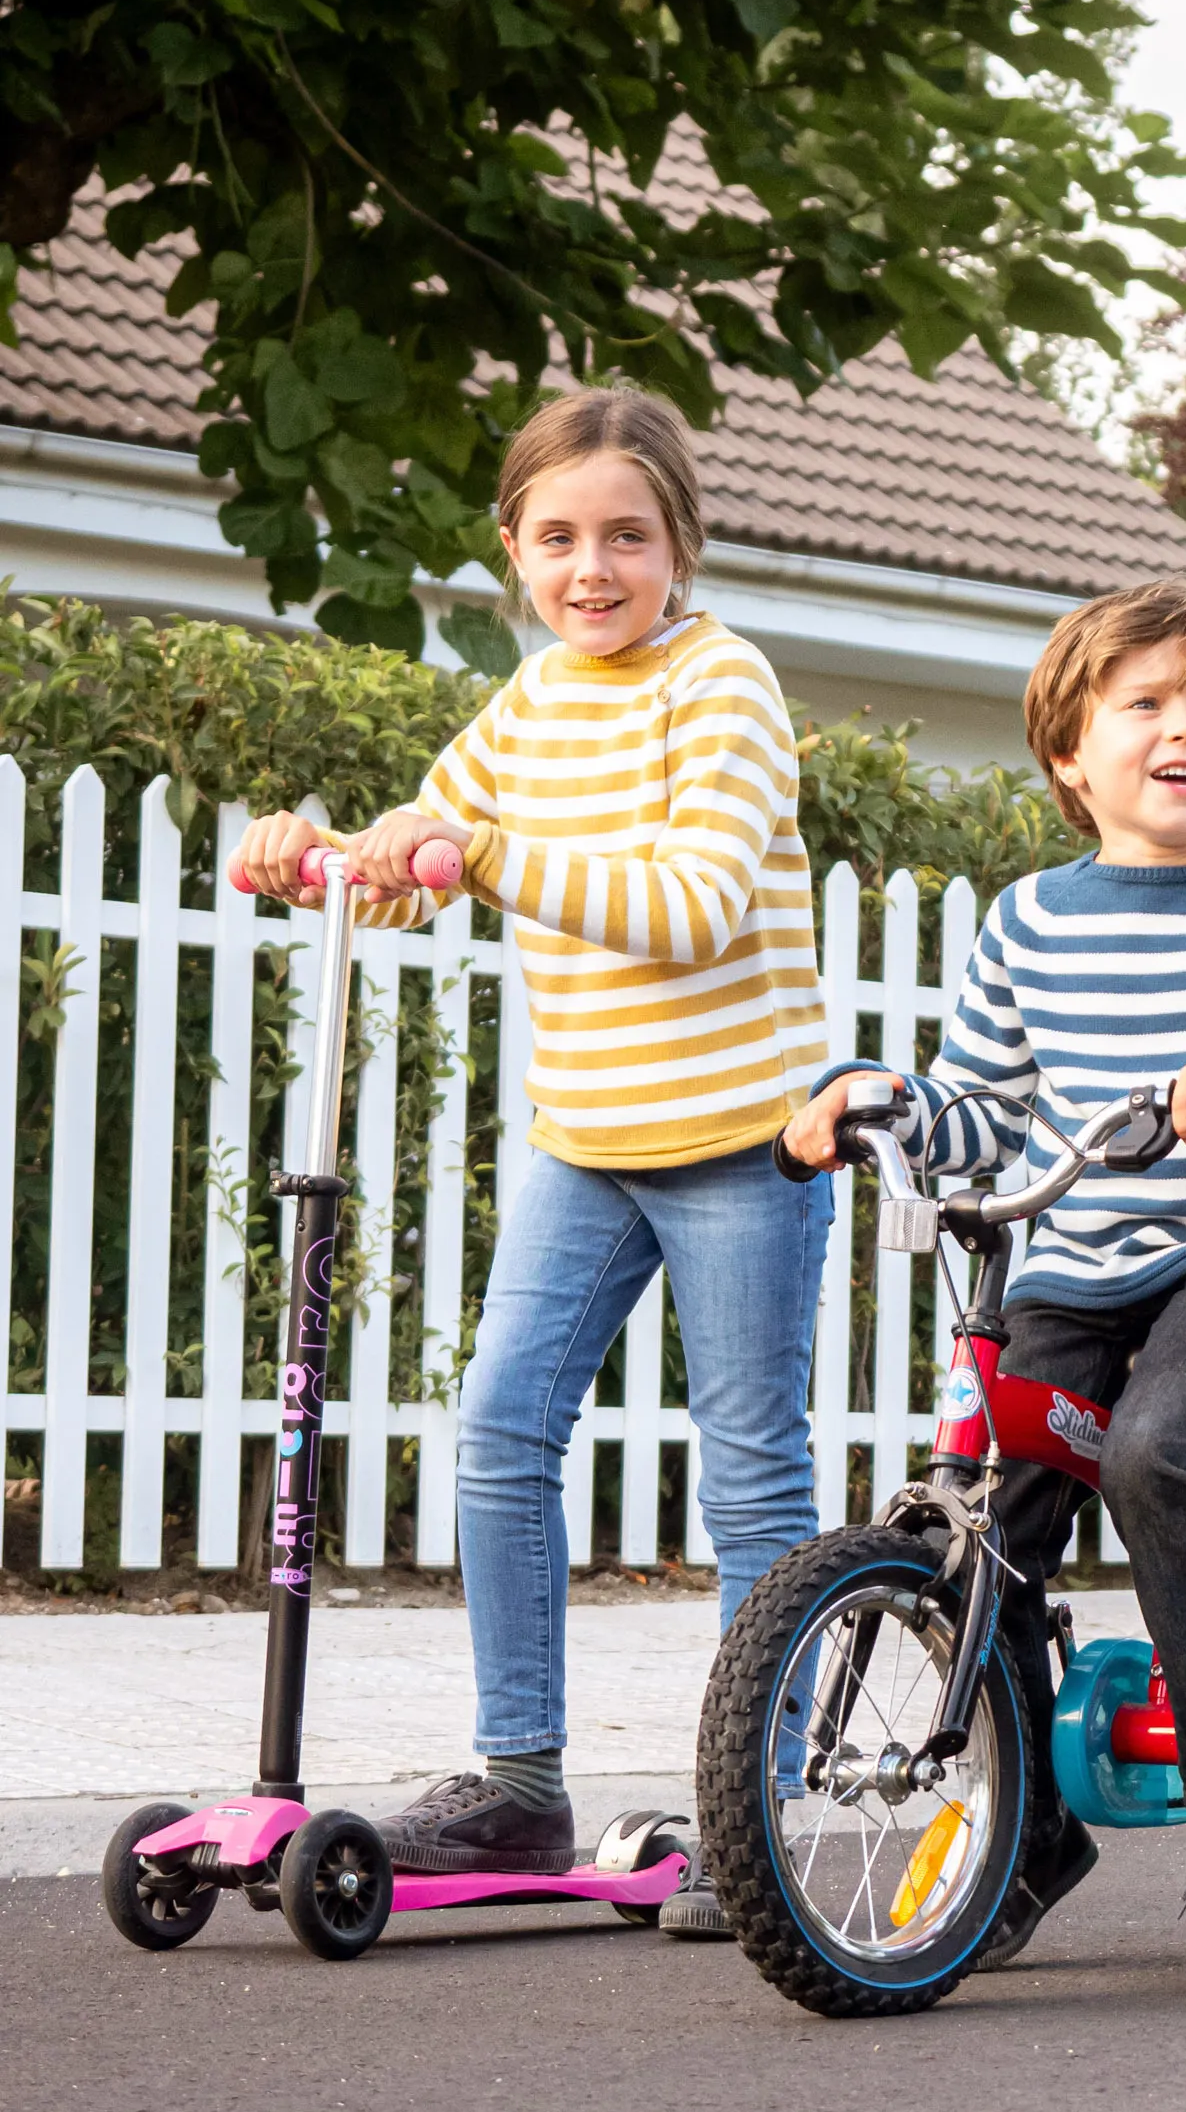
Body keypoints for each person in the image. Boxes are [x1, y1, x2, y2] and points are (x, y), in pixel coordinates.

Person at [230, 388, 830, 1921]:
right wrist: (319, 857)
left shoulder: (722, 684)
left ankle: (756, 1818)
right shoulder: (532, 695)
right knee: (500, 1429)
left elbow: (691, 902)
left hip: (741, 1130)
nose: (594, 567)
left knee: (750, 1468)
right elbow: (425, 848)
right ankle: (516, 1782)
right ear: (514, 548)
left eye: (628, 534)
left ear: (682, 546)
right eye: (559, 537)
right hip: (588, 1133)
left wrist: (479, 852)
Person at [782, 576, 1186, 1997]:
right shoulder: (1029, 919)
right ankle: (1031, 1831)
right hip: (1074, 1254)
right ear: (1071, 752)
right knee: (988, 1513)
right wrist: (873, 1099)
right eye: (1143, 703)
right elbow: (980, 1109)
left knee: (1153, 1448)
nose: (1182, 728)